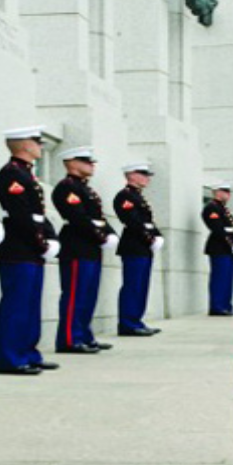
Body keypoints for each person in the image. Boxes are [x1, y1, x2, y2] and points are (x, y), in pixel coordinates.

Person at [0, 126, 61, 375]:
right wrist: (41, 242)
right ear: (23, 145)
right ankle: (10, 358)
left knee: (30, 305)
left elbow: (38, 215)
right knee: (16, 305)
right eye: (36, 142)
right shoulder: (12, 174)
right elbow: (20, 215)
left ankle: (28, 353)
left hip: (30, 247)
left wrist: (50, 238)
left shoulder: (26, 174)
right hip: (19, 247)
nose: (40, 147)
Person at [53, 147, 119, 353]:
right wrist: (101, 235)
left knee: (88, 295)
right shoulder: (67, 187)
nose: (91, 165)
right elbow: (78, 217)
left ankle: (84, 335)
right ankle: (70, 339)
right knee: (75, 295)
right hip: (77, 245)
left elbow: (98, 218)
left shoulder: (86, 189)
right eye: (85, 161)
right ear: (71, 163)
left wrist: (110, 233)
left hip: (90, 246)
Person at [114, 162, 165, 336]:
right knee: (133, 285)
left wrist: (157, 235)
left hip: (143, 245)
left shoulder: (138, 197)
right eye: (143, 174)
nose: (147, 178)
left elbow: (148, 221)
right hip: (134, 245)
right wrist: (150, 237)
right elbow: (133, 221)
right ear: (131, 175)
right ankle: (128, 323)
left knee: (142, 285)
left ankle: (136, 320)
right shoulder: (125, 196)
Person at [202, 182, 233, 316]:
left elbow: (231, 228)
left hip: (227, 248)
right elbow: (218, 228)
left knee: (227, 278)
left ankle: (226, 305)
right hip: (219, 247)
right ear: (216, 192)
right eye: (225, 191)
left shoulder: (223, 209)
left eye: (228, 192)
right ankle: (217, 306)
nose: (228, 194)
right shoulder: (212, 208)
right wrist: (231, 242)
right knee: (220, 278)